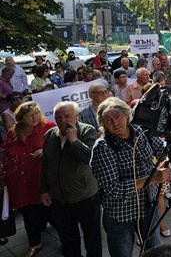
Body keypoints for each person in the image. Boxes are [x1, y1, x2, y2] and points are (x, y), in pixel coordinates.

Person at [90, 97, 170, 257]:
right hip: (121, 215)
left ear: (127, 114)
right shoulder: (103, 147)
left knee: (154, 252)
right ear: (103, 123)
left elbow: (160, 148)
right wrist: (153, 178)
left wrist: (169, 153)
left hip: (148, 205)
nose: (114, 122)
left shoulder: (140, 131)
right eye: (108, 120)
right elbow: (113, 190)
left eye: (117, 116)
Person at [40, 101, 101, 257]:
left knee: (92, 237)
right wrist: (44, 190)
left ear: (77, 117)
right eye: (58, 117)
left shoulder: (87, 131)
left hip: (85, 196)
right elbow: (46, 164)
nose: (63, 121)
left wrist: (74, 140)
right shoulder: (50, 135)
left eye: (67, 116)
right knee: (68, 239)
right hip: (60, 199)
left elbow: (89, 158)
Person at [0, 102, 55, 256]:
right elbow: (5, 153)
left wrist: (46, 151)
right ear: (21, 118)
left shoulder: (48, 127)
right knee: (28, 213)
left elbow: (59, 147)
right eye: (30, 115)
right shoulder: (13, 132)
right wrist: (3, 175)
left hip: (40, 180)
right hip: (19, 182)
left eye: (37, 113)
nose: (35, 117)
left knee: (48, 211)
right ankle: (35, 243)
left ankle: (64, 238)